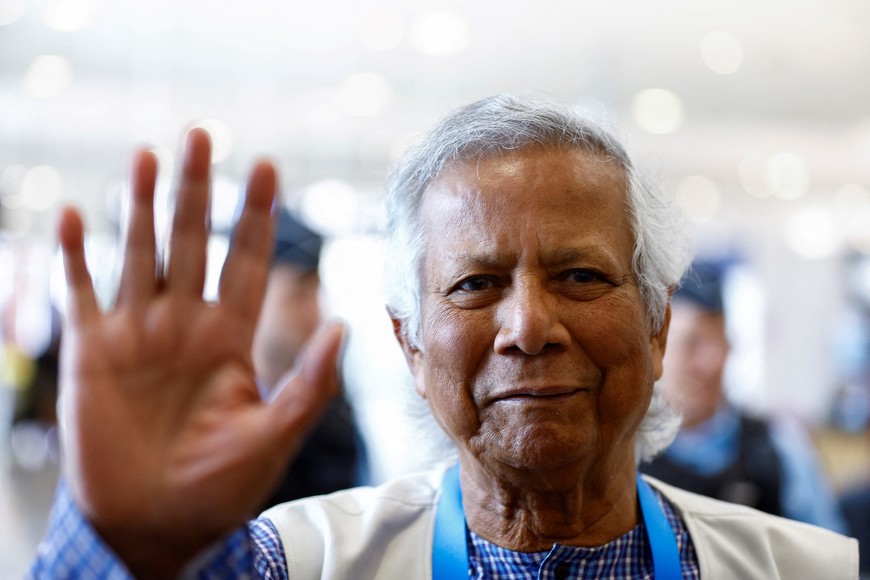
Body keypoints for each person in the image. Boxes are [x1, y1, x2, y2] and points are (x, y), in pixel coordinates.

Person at [32, 94, 858, 578]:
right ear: (409, 346)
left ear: (657, 323)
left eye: (581, 276)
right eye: (474, 285)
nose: (529, 328)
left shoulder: (812, 570)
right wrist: (122, 549)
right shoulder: (301, 562)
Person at [641, 261, 848, 532]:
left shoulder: (778, 449)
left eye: (721, 342)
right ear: (656, 350)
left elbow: (827, 554)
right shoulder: (627, 452)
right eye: (692, 344)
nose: (711, 361)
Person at [249, 207, 366, 509]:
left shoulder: (329, 397)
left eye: (317, 291)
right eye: (298, 294)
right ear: (253, 296)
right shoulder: (210, 400)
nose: (316, 313)